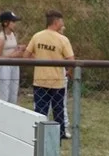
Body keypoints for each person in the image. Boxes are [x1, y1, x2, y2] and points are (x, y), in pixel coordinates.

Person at [24, 10, 75, 139]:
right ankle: (60, 133)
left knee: (40, 109)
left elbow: (26, 55)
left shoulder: (37, 36)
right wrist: (69, 71)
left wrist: (38, 59)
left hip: (40, 80)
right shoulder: (63, 39)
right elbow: (71, 60)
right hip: (57, 81)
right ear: (56, 22)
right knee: (58, 109)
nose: (63, 24)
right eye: (62, 21)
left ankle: (39, 133)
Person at [0, 10, 26, 104]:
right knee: (4, 92)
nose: (15, 24)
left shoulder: (12, 34)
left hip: (14, 65)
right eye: (13, 22)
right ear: (6, 23)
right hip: (4, 66)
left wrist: (19, 48)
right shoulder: (1, 37)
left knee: (13, 92)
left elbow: (11, 48)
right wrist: (12, 55)